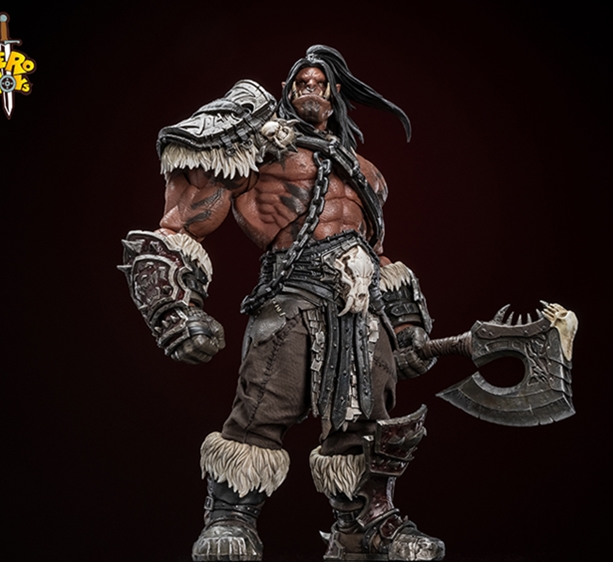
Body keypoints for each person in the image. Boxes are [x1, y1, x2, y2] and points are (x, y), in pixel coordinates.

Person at [120, 45, 445, 561]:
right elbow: (182, 221)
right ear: (287, 91)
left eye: (319, 82)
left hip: (361, 307)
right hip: (293, 293)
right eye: (301, 82)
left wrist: (405, 325)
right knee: (263, 406)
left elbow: (377, 250)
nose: (310, 88)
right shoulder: (260, 151)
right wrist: (176, 308)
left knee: (366, 422)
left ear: (335, 94)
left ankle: (363, 526)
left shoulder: (367, 172)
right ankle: (229, 517)